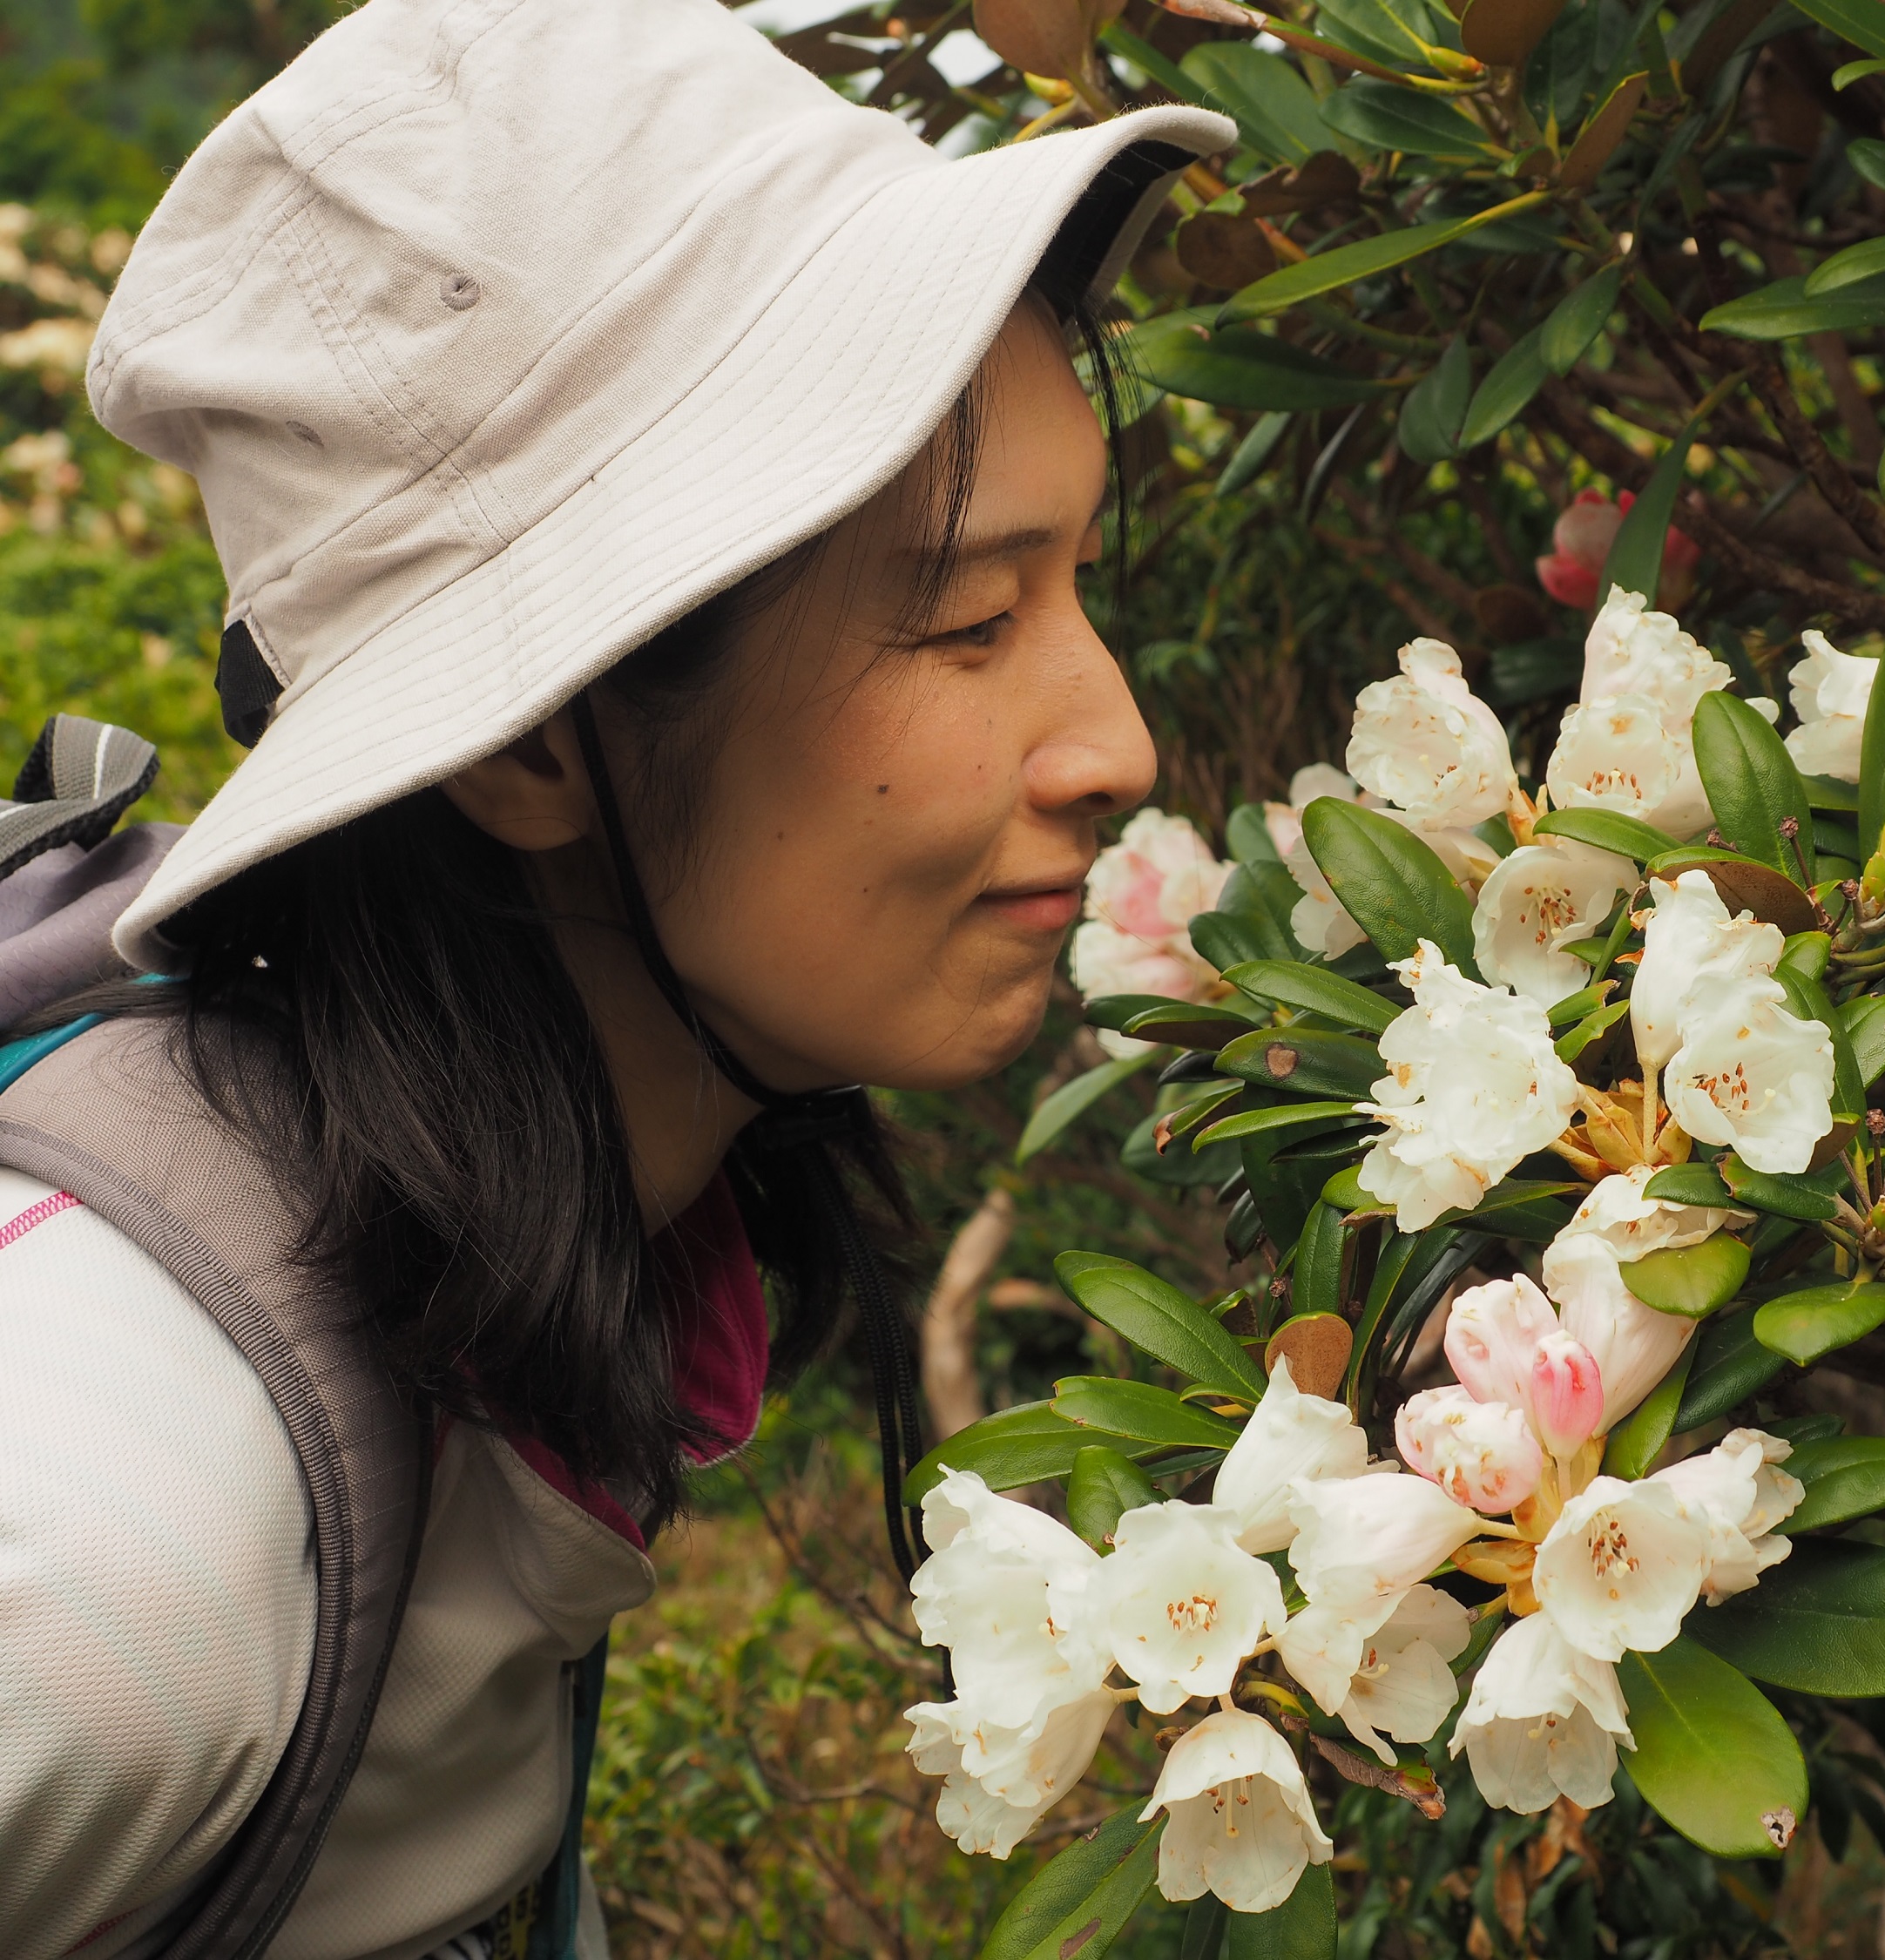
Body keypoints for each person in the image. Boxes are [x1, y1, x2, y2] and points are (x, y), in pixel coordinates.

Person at [0, 0, 1232, 1952]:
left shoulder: (518, 1273)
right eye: (967, 619)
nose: (1117, 745)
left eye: (1075, 584)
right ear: (530, 744)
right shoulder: (108, 1561)